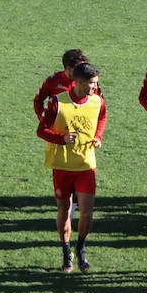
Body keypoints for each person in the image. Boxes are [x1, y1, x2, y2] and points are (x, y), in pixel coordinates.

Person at [36, 62, 106, 273]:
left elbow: (102, 117)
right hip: (62, 166)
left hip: (86, 164)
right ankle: (66, 251)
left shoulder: (97, 101)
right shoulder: (58, 102)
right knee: (64, 210)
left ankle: (81, 247)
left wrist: (98, 136)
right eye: (91, 84)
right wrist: (62, 138)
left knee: (87, 212)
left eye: (96, 83)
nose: (94, 87)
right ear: (78, 82)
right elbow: (41, 130)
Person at [33, 48, 97, 118]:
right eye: (79, 68)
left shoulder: (89, 82)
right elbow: (38, 101)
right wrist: (44, 119)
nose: (83, 70)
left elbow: (99, 103)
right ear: (69, 68)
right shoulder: (53, 80)